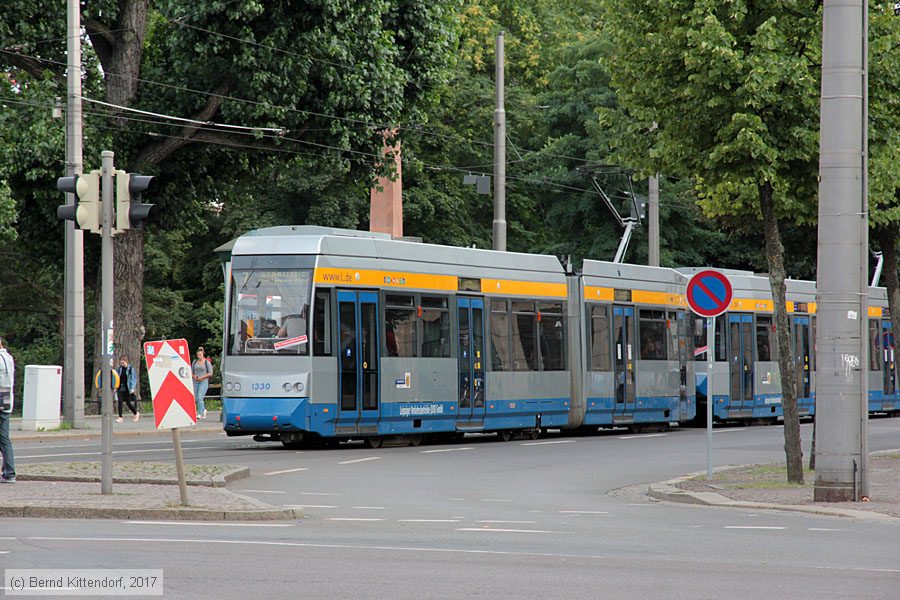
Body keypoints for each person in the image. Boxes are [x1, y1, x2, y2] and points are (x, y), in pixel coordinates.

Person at [0, 338, 15, 483]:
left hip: (0, 396)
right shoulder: (8, 357)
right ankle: (9, 472)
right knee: (4, 438)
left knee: (4, 439)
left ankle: (9, 472)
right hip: (6, 398)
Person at [115, 356, 139, 423]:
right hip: (120, 388)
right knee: (120, 402)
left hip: (128, 388)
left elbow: (133, 379)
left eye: (123, 362)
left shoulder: (131, 369)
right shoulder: (119, 369)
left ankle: (136, 413)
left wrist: (132, 388)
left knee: (128, 403)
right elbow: (117, 378)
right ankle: (120, 417)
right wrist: (115, 387)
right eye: (121, 362)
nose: (122, 363)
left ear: (126, 361)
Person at [192, 347, 213, 420]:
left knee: (200, 397)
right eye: (198, 355)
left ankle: (200, 413)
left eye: (200, 355)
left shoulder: (207, 362)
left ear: (203, 354)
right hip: (195, 381)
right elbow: (191, 371)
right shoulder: (194, 362)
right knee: (196, 398)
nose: (199, 356)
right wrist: (194, 376)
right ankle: (203, 410)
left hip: (203, 381)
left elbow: (210, 373)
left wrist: (202, 377)